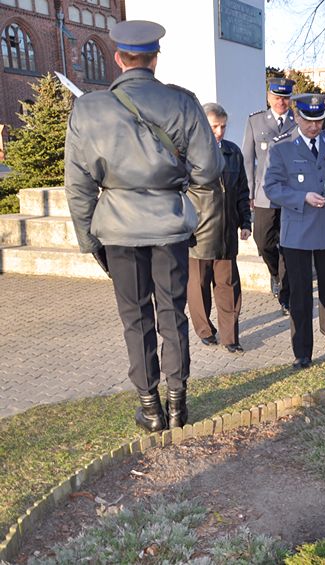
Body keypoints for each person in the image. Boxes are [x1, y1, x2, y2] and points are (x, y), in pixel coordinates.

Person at [64, 20, 225, 432]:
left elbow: (78, 185)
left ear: (119, 59)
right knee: (173, 313)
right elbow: (209, 169)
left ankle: (150, 408)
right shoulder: (182, 102)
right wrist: (179, 186)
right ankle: (178, 403)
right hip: (169, 226)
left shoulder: (89, 108)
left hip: (117, 230)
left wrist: (89, 240)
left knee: (135, 318)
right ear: (155, 59)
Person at [264, 94, 325, 369]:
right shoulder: (282, 147)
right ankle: (302, 350)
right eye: (308, 121)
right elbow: (272, 187)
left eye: (319, 121)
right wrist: (302, 197)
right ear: (296, 116)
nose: (314, 127)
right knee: (300, 293)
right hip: (298, 231)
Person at [186, 103, 252, 354]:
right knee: (198, 287)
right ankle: (204, 331)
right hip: (198, 235)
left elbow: (242, 191)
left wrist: (245, 222)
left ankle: (230, 337)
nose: (219, 131)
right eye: (214, 126)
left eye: (223, 126)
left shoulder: (233, 152)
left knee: (229, 287)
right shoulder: (188, 154)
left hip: (226, 234)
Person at [243, 79, 296, 316]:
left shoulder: (298, 121)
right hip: (264, 195)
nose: (281, 102)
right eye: (277, 97)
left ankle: (286, 296)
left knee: (288, 244)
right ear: (269, 97)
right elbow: (247, 159)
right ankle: (275, 274)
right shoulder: (255, 121)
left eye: (285, 97)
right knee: (263, 241)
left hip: (291, 194)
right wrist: (249, 192)